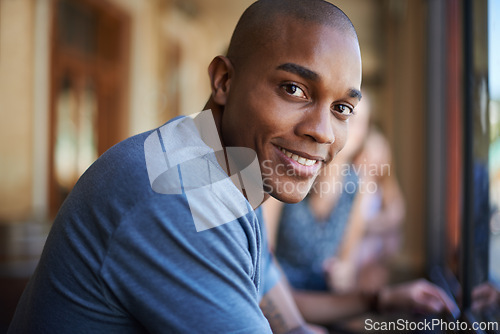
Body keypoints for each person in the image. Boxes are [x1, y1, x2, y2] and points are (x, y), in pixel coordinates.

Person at [8, 0, 363, 333]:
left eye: (342, 109)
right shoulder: (177, 195)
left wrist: (356, 306)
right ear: (224, 80)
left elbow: (265, 283)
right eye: (293, 89)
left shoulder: (226, 163)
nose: (322, 132)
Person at [263, 97, 460, 325]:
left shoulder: (359, 185)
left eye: (355, 119)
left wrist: (343, 274)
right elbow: (263, 261)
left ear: (363, 134)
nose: (347, 125)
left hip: (324, 300)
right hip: (275, 296)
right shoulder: (285, 168)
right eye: (342, 112)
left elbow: (348, 260)